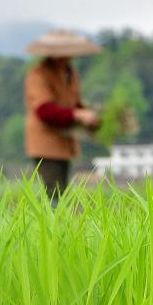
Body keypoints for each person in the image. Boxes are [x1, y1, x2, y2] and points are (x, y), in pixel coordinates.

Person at [23, 30, 102, 201]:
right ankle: (54, 225)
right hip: (45, 143)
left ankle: (59, 224)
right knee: (54, 191)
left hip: (64, 141)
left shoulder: (70, 72)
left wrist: (89, 115)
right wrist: (78, 114)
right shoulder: (39, 74)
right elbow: (44, 110)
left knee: (62, 191)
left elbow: (74, 103)